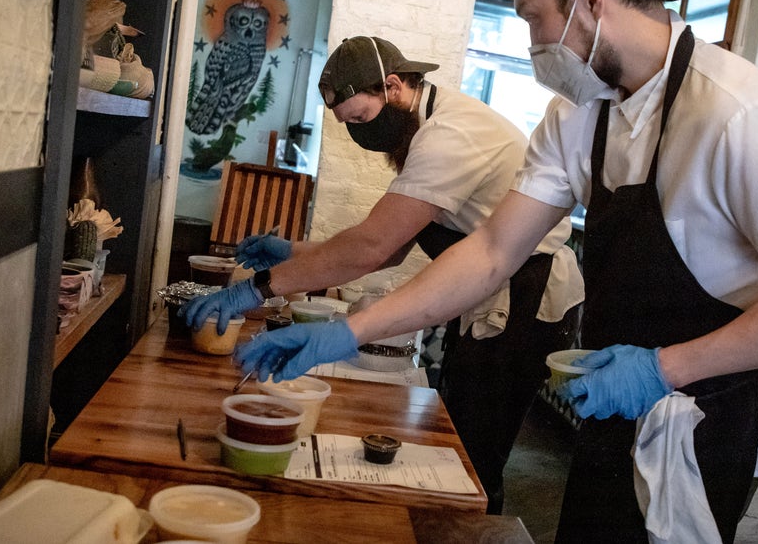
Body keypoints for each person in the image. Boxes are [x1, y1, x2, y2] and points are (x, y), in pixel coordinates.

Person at [237, 0, 758, 543]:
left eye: (535, 18)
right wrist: (349, 331)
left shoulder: (740, 114)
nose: (533, 40)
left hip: (707, 412)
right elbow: (489, 251)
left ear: (590, 2)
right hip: (614, 402)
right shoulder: (578, 115)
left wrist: (666, 367)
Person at [183, 35, 584, 514]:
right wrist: (291, 252)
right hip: (489, 291)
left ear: (392, 86)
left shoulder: (448, 135)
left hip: (525, 299)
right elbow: (388, 248)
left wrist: (257, 289)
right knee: (460, 436)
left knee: (476, 456)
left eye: (359, 119)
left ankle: (472, 527)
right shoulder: (426, 126)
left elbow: (373, 247)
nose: (359, 134)